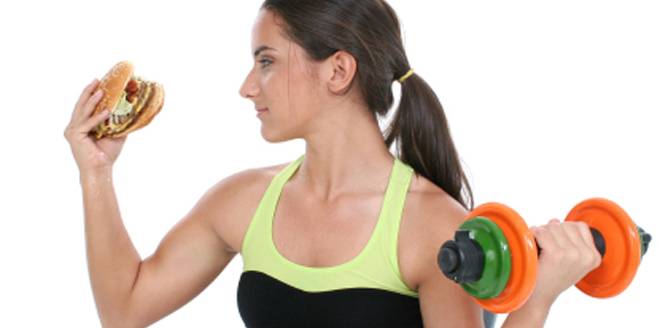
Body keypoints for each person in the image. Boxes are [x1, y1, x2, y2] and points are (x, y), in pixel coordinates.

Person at [64, 1, 602, 327]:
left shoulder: (431, 227)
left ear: (338, 70)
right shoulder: (243, 202)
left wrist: (537, 302)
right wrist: (96, 172)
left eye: (266, 62)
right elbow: (125, 310)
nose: (247, 86)